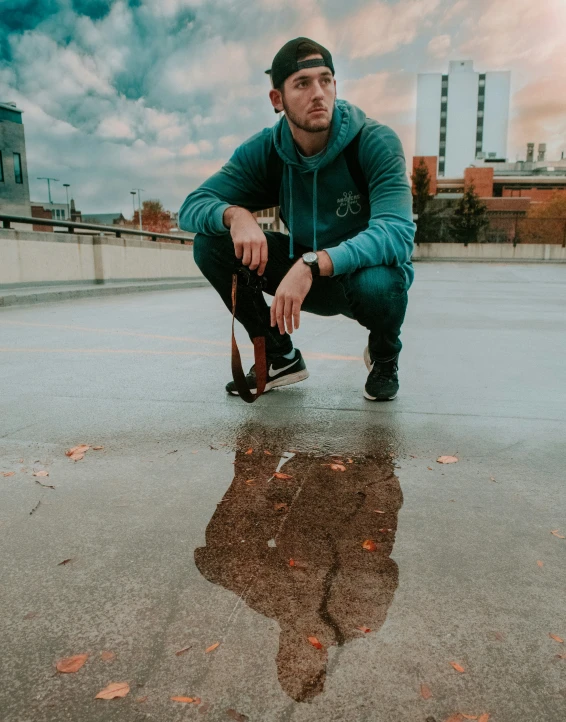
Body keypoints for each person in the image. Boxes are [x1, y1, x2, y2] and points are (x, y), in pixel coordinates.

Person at [179, 37, 416, 401]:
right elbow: (192, 206)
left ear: (335, 85)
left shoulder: (374, 141)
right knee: (210, 244)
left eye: (325, 80)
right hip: (301, 268)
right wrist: (234, 214)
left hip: (361, 275)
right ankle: (278, 356)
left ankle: (384, 355)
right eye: (302, 84)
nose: (318, 93)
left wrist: (312, 264)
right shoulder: (267, 151)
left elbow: (397, 233)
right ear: (278, 100)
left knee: (380, 281)